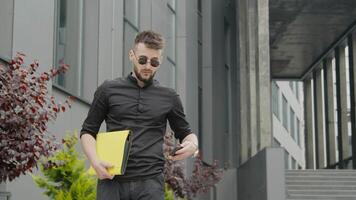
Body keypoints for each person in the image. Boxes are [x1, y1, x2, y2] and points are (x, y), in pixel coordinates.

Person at [80, 30, 199, 200]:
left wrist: (192, 145)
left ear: (160, 61)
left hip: (150, 184)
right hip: (111, 181)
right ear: (132, 55)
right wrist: (94, 160)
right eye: (143, 60)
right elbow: (87, 132)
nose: (148, 66)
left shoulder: (169, 97)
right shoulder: (108, 90)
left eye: (154, 62)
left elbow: (186, 133)